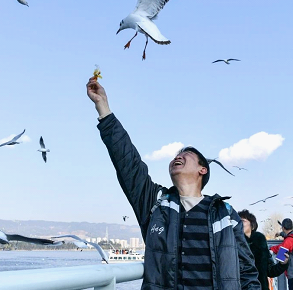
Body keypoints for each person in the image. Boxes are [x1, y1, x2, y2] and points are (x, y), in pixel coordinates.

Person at [86, 78, 260, 289]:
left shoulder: (224, 213)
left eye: (186, 154)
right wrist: (103, 107)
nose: (177, 157)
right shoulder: (156, 205)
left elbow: (247, 271)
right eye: (176, 155)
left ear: (202, 170)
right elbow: (128, 164)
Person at [238, 209, 288, 290]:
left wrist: (282, 264)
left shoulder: (260, 241)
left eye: (243, 221)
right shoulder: (234, 242)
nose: (239, 223)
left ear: (252, 225)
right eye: (237, 221)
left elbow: (270, 270)